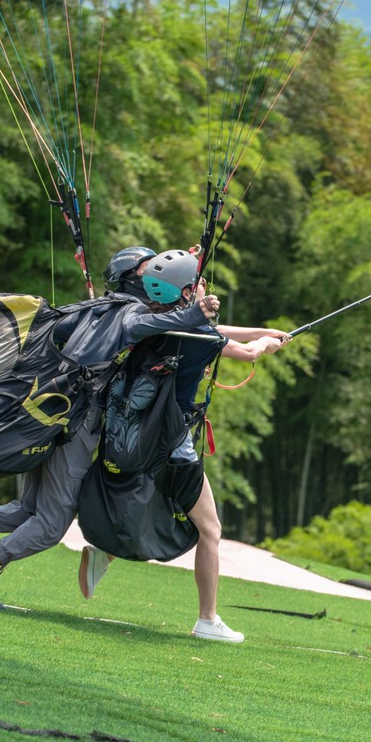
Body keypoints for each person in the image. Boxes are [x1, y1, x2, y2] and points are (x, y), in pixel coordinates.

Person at [0, 247, 221, 610]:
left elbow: (174, 319)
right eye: (150, 271)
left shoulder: (95, 308)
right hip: (76, 424)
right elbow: (149, 324)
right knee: (51, 525)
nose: (156, 279)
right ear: (135, 278)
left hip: (47, 416)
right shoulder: (129, 313)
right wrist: (196, 311)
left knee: (30, 509)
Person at [77, 248, 288, 643]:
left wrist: (261, 330)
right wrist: (265, 345)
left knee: (159, 502)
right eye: (201, 282)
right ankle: (207, 619)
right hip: (173, 445)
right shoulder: (196, 335)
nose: (206, 286)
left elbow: (217, 333)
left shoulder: (149, 317)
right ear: (188, 291)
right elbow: (241, 352)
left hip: (136, 438)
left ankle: (106, 550)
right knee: (209, 528)